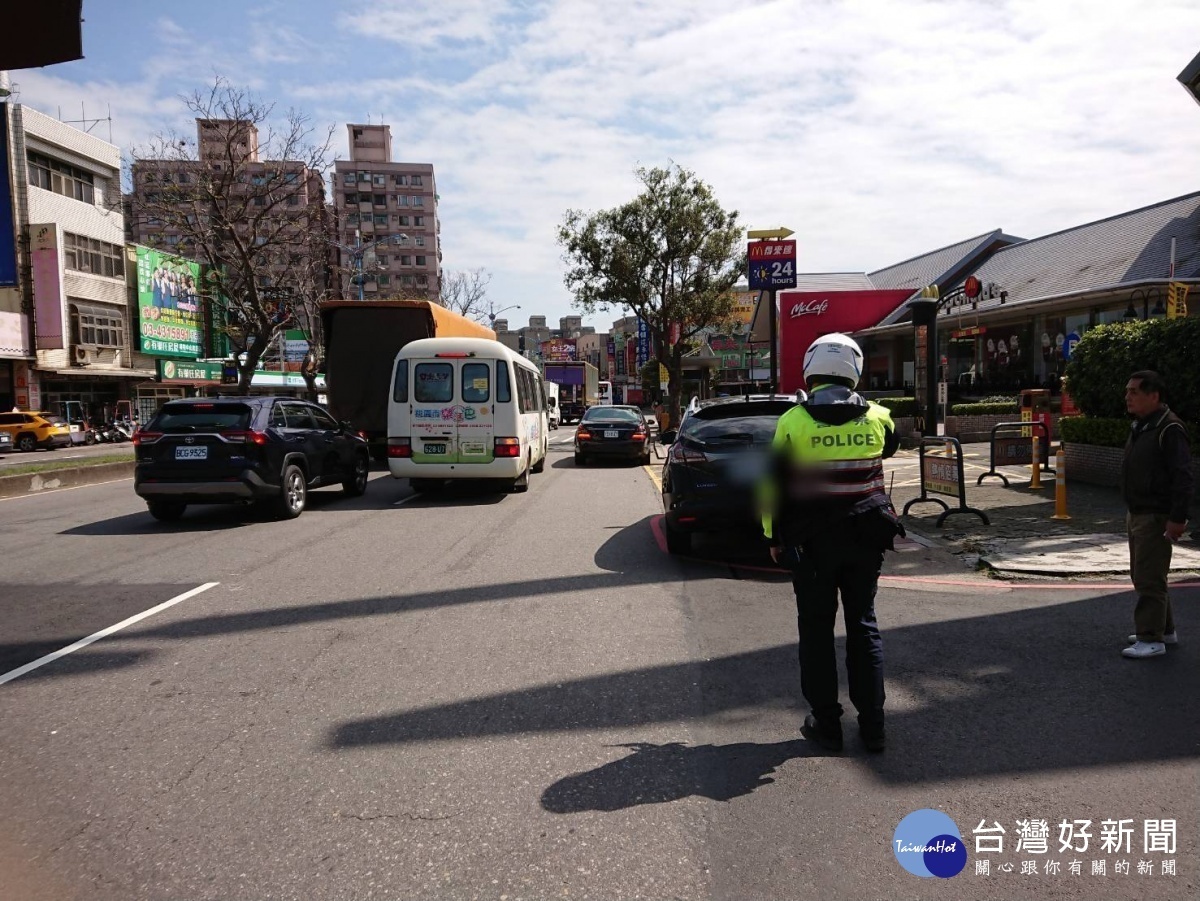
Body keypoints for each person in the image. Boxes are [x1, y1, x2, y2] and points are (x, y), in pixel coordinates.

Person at [760, 333, 902, 753]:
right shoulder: (879, 417)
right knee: (863, 626)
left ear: (811, 369)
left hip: (812, 545)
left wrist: (772, 536)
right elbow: (890, 448)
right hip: (866, 539)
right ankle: (874, 724)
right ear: (854, 370)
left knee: (817, 632)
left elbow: (773, 487)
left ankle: (827, 723)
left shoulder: (793, 421)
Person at [1121, 370, 1192, 659]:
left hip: (1155, 514)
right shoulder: (1142, 425)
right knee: (1145, 575)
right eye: (1127, 391)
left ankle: (1151, 638)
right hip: (1137, 511)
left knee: (1149, 578)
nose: (1128, 397)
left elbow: (1183, 475)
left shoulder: (1169, 428)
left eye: (1134, 392)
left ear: (1154, 396)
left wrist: (1178, 518)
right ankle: (1165, 629)